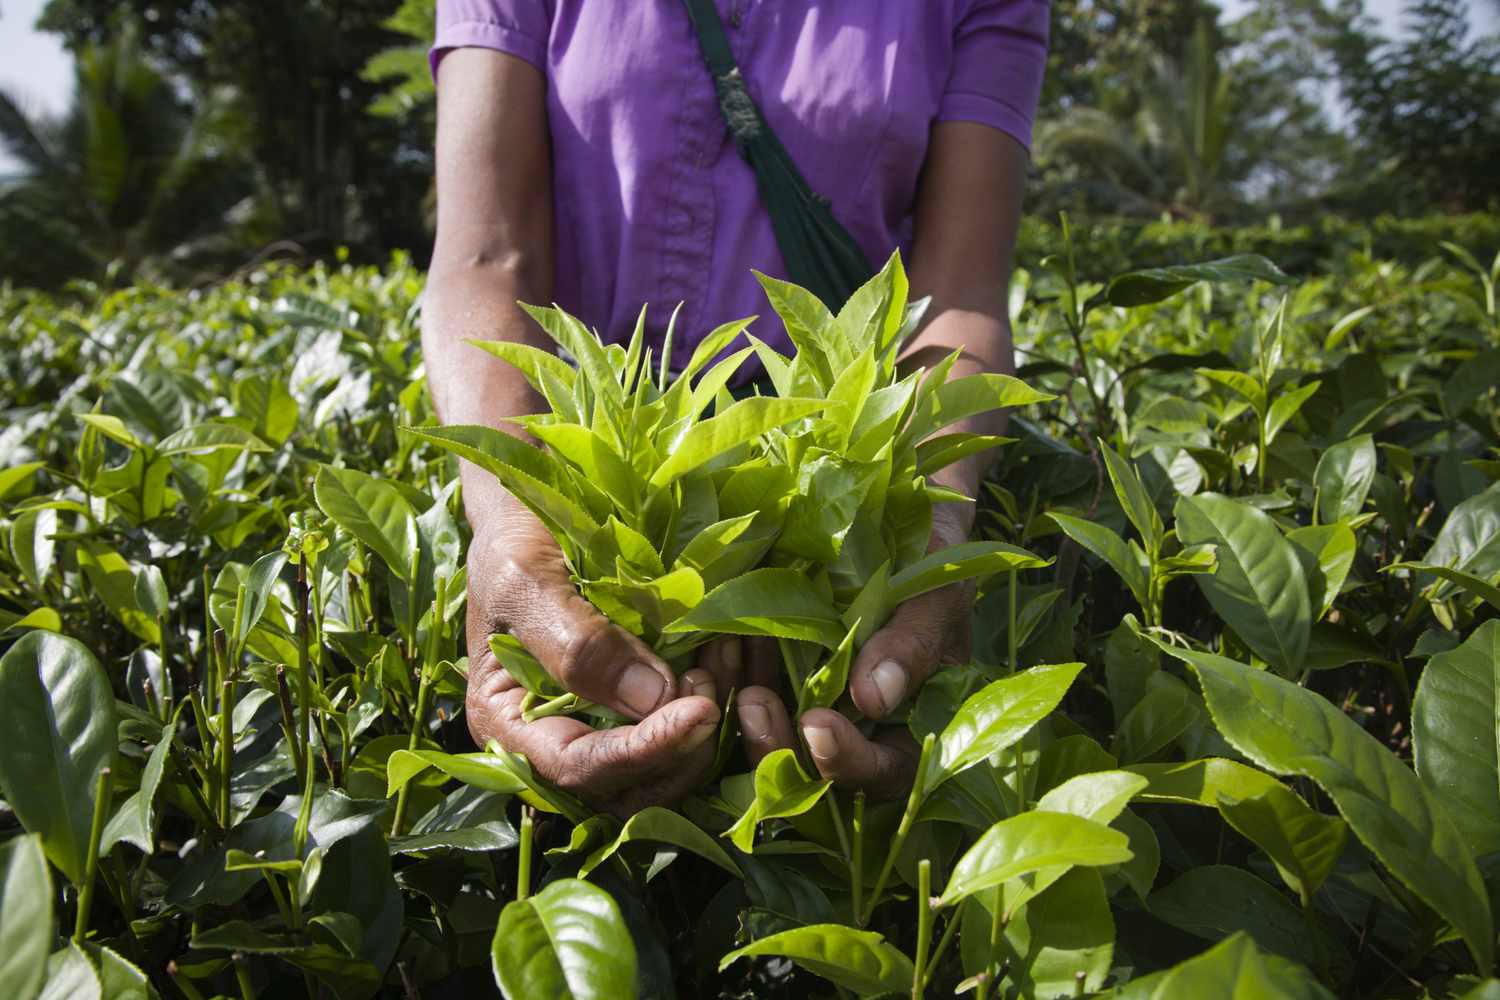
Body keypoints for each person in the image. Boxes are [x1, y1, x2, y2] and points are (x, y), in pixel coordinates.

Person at [421, 0, 1049, 814]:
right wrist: (511, 521)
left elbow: (957, 296)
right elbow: (484, 255)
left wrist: (930, 534)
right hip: (585, 495)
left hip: (828, 499)